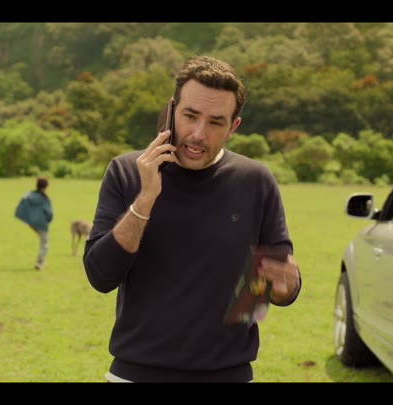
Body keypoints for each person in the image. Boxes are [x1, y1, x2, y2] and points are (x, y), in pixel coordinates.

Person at [82, 55, 302, 382]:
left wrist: (285, 287)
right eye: (190, 116)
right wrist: (146, 198)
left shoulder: (256, 181)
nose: (199, 134)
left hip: (229, 375)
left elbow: (276, 286)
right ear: (172, 111)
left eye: (215, 123)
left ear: (233, 128)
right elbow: (100, 278)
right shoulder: (127, 172)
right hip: (136, 372)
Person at [15, 176, 53, 271]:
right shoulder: (45, 199)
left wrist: (28, 219)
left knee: (42, 240)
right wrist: (48, 221)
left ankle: (42, 260)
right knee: (45, 243)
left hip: (31, 223)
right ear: (46, 186)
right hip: (41, 224)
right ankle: (39, 263)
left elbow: (23, 202)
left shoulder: (29, 195)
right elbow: (49, 214)